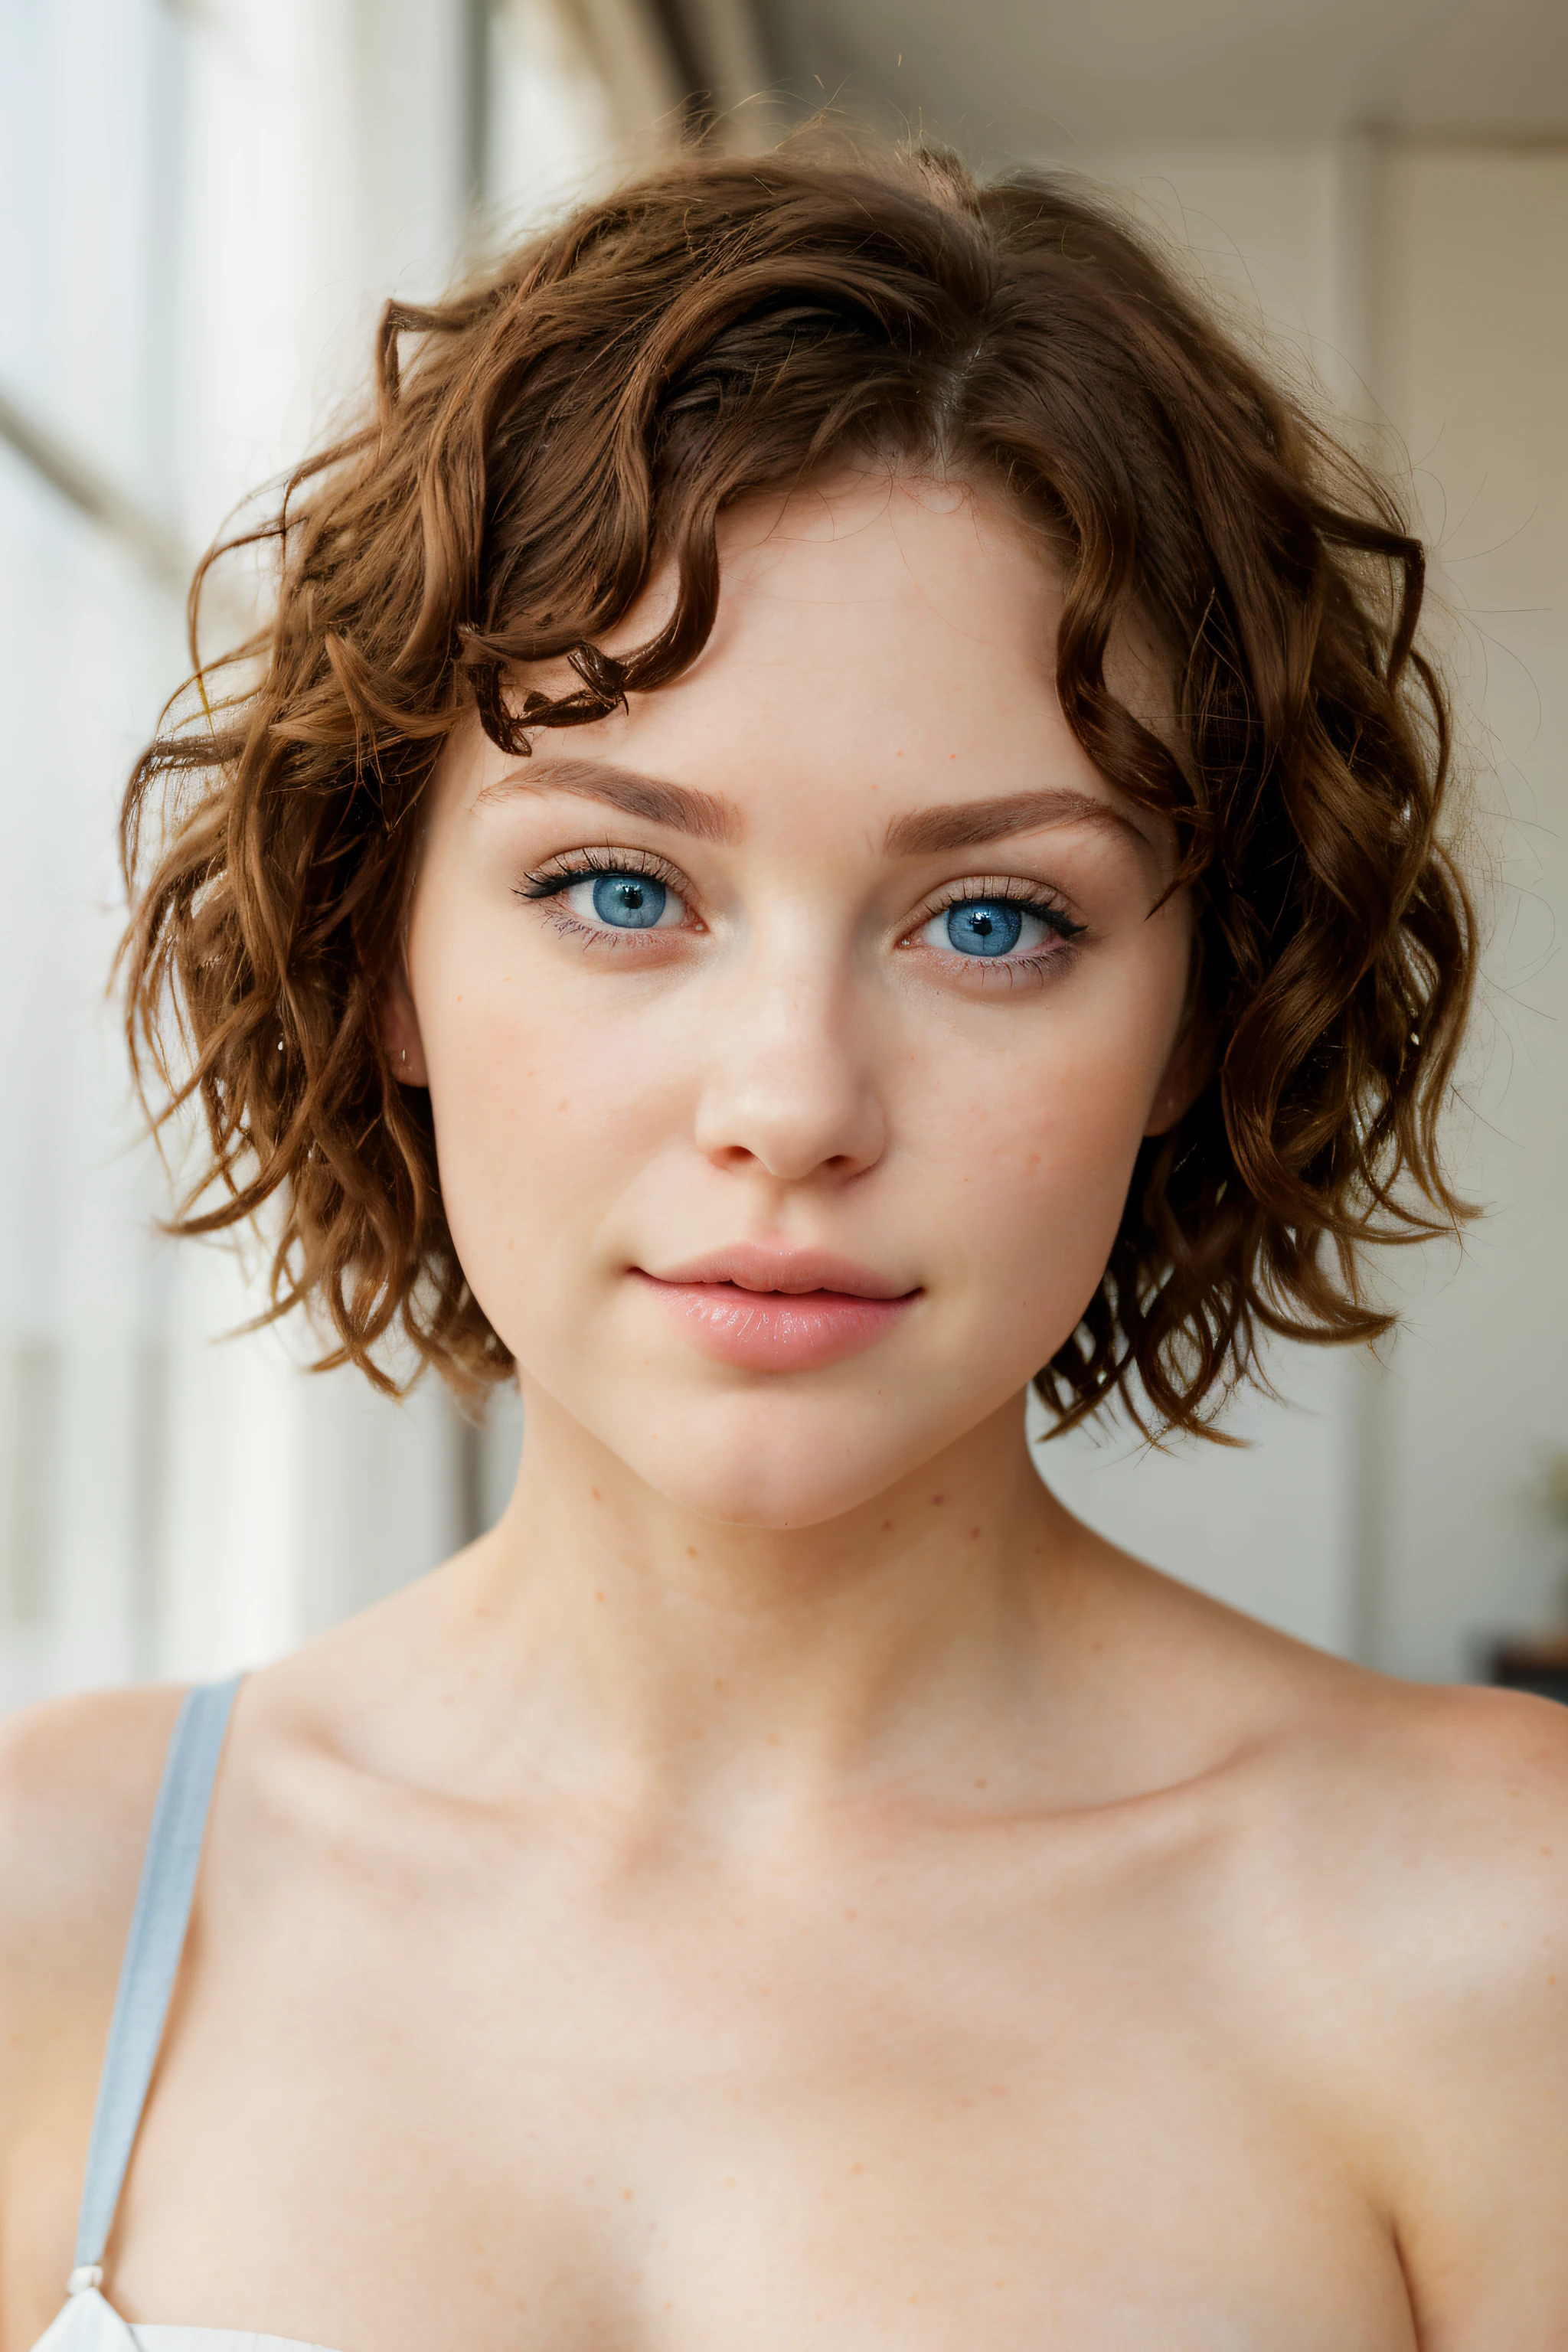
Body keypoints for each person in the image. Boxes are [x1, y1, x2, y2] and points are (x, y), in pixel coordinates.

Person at [2, 139, 1564, 2352]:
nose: (797, 1105)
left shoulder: (1508, 1934)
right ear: (380, 951)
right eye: (622, 891)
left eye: (996, 920)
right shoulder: (45, 1898)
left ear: (1206, 1017)